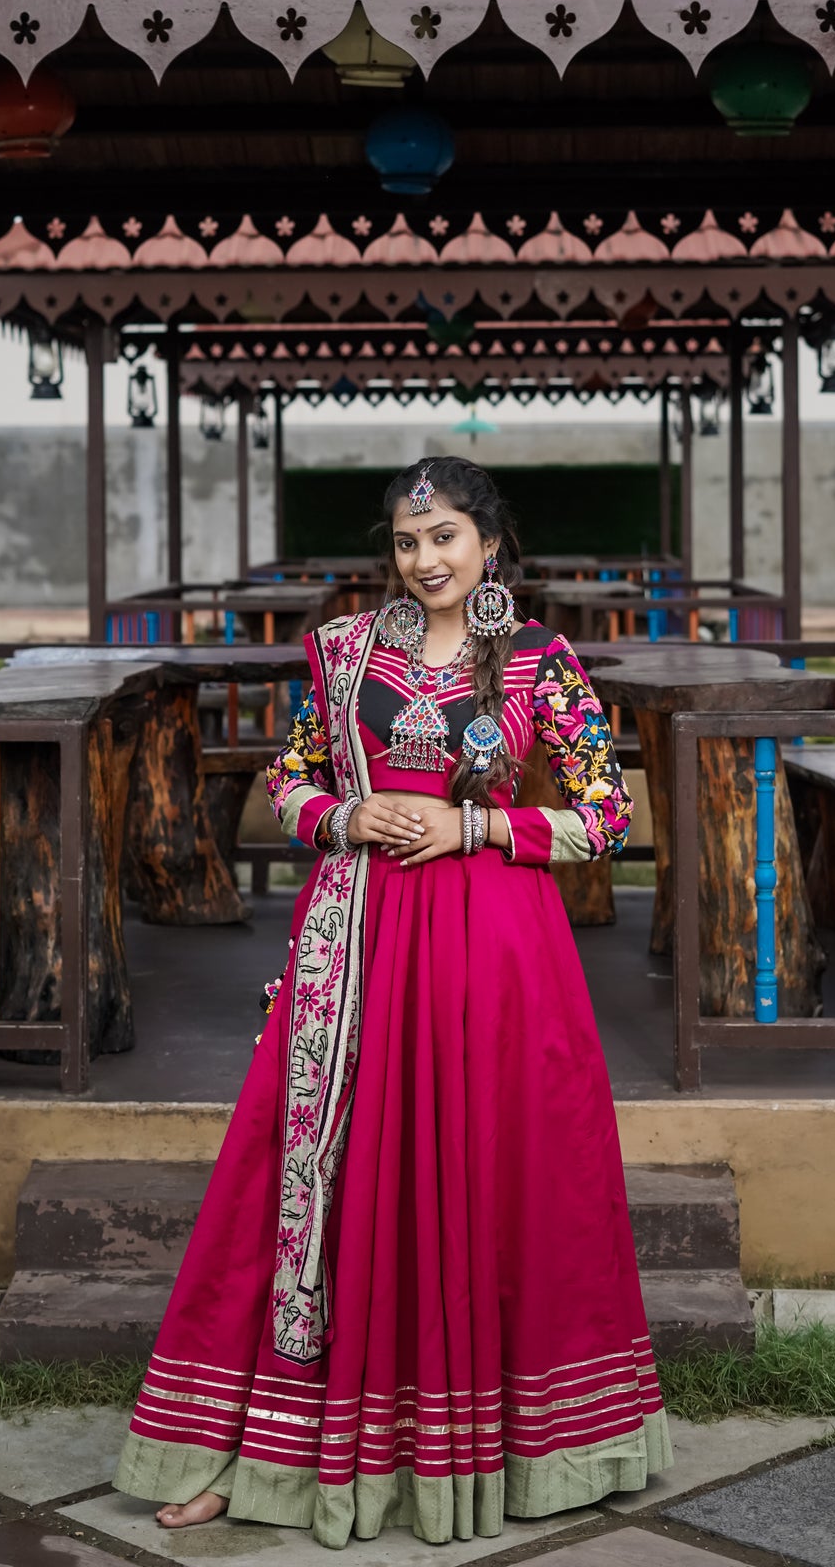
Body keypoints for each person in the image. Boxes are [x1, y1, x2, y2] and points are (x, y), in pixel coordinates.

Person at [115, 455, 671, 1548]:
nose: (427, 560)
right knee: (310, 1177)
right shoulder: (346, 653)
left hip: (496, 957)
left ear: (490, 545)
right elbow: (289, 774)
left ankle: (517, 1450)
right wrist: (338, 817)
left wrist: (482, 827)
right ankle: (268, 1453)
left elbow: (607, 815)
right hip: (357, 944)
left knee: (490, 1174)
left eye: (448, 536)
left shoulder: (542, 662)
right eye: (409, 543)